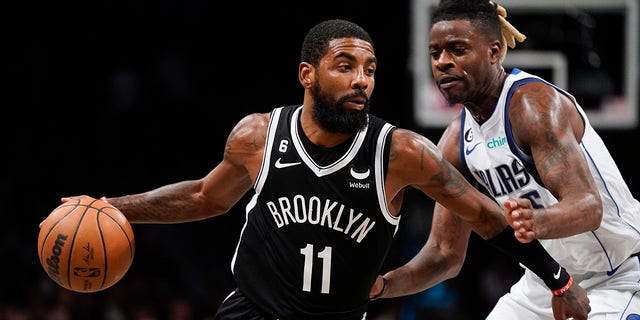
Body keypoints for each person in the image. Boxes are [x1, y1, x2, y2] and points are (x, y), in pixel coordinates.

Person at [58, 19, 589, 319]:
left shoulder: (400, 152)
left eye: (371, 70)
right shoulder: (259, 136)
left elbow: (485, 216)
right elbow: (204, 197)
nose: (362, 80)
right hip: (251, 313)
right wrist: (111, 207)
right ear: (307, 75)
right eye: (346, 66)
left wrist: (558, 280)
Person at [369, 1, 640, 319]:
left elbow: (588, 207)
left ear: (494, 52)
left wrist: (536, 221)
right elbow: (444, 254)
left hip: (618, 275)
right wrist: (382, 286)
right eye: (435, 53)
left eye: (457, 49)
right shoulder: (457, 141)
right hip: (546, 282)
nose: (443, 62)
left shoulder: (534, 107)